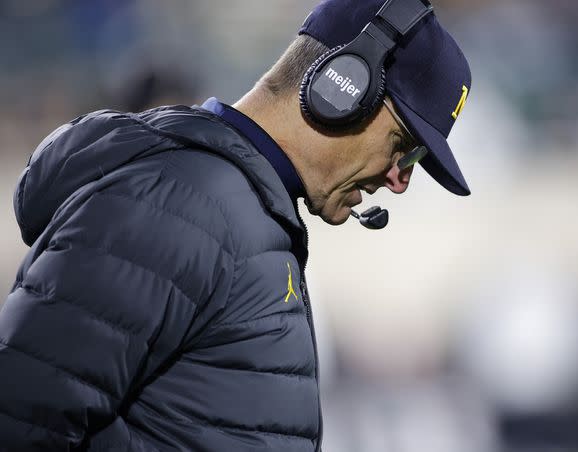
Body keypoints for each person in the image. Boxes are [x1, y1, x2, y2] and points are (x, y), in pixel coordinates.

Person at [0, 0, 471, 450]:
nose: (399, 180)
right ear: (342, 87)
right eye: (404, 147)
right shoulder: (183, 207)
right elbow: (19, 416)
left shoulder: (235, 210)